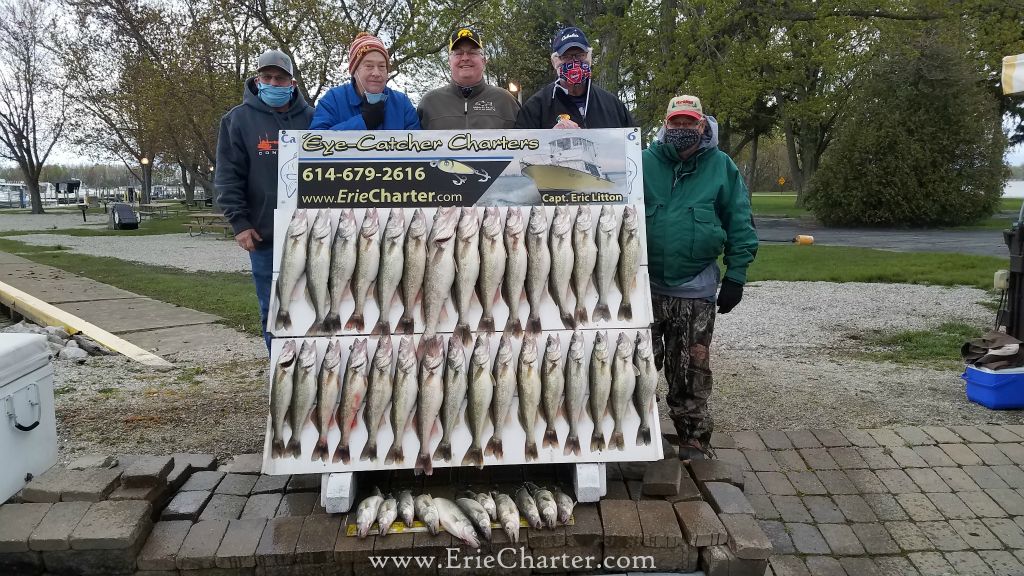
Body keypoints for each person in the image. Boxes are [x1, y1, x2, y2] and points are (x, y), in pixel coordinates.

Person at [643, 95, 758, 460]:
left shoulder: (721, 166)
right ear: (665, 124)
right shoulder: (642, 162)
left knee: (690, 368)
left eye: (689, 123)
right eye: (674, 123)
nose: (681, 130)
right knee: (636, 367)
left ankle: (693, 439)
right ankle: (634, 435)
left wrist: (736, 275)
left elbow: (740, 222)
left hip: (696, 288)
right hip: (643, 287)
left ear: (702, 126)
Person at [216, 49, 314, 351]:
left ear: (292, 83)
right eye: (267, 77)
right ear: (258, 80)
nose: (273, 82)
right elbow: (228, 176)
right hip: (265, 237)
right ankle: (279, 374)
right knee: (272, 310)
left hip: (313, 235)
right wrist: (240, 223)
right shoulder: (237, 120)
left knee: (312, 306)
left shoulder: (314, 118)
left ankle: (311, 376)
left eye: (280, 78)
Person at [514, 26, 635, 129]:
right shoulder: (536, 106)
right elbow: (522, 149)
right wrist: (549, 137)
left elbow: (633, 147)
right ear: (554, 62)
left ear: (589, 58)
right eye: (566, 56)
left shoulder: (612, 105)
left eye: (580, 55)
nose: (574, 62)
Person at [310, 32, 420, 130]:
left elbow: (418, 147)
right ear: (354, 71)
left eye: (382, 66)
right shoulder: (333, 100)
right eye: (369, 66)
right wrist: (363, 123)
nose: (376, 73)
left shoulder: (401, 103)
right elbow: (315, 143)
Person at [417, 27, 520, 129]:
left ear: (484, 60)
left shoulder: (506, 101)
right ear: (449, 61)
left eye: (472, 53)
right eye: (458, 53)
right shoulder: (429, 103)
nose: (465, 58)